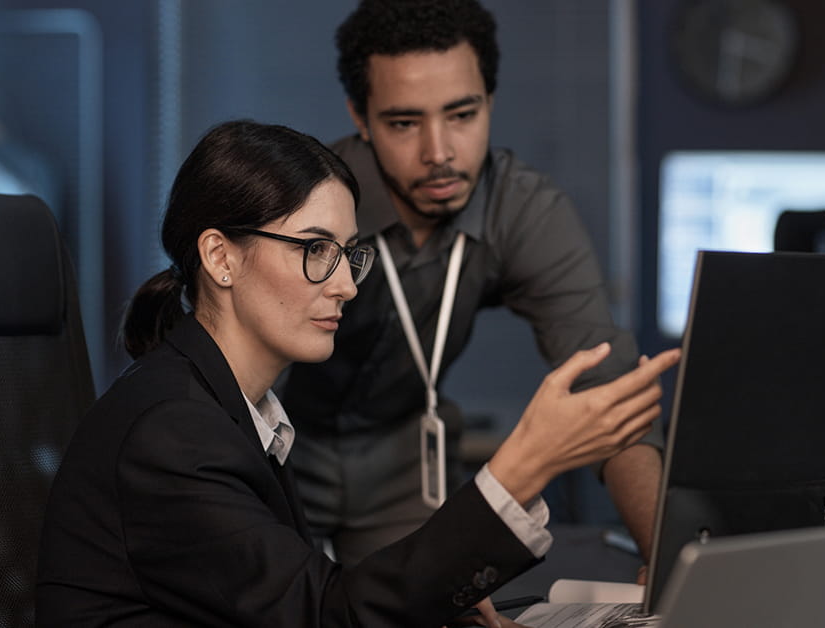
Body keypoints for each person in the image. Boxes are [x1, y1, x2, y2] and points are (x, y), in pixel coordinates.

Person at [35, 119, 679, 627]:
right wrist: (525, 464)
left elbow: (300, 598)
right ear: (220, 257)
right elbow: (327, 616)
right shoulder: (171, 433)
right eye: (316, 250)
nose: (344, 283)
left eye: (349, 253)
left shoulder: (231, 412)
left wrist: (431, 604)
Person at [280, 0, 666, 571]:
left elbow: (604, 387)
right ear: (360, 117)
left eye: (462, 114)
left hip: (407, 455)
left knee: (443, 608)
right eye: (404, 123)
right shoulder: (303, 200)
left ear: (489, 101)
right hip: (281, 445)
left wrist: (674, 570)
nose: (439, 153)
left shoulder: (523, 209)